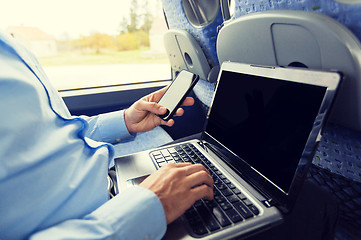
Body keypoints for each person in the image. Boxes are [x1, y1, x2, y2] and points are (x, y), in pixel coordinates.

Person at [0, 29, 213, 239]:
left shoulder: (9, 44)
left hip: (115, 189)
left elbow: (53, 131)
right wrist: (150, 205)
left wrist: (126, 120)